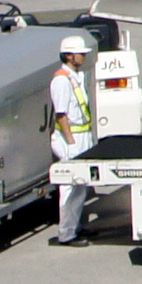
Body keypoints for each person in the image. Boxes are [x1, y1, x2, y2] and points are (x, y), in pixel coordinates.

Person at [45, 40, 98, 243]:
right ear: (68, 56)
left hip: (82, 135)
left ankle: (75, 226)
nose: (83, 57)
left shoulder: (75, 76)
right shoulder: (61, 80)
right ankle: (66, 234)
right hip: (71, 139)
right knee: (69, 185)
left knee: (81, 185)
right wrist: (71, 142)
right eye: (80, 54)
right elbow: (61, 115)